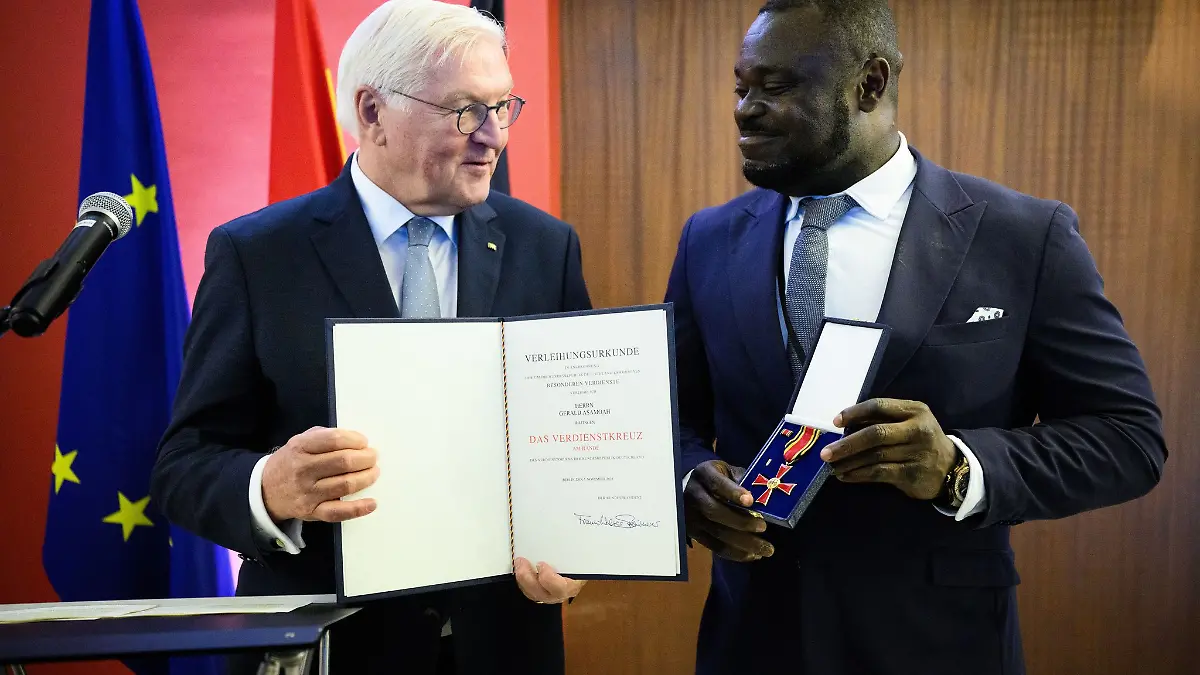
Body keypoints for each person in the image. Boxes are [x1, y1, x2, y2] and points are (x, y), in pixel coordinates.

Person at [666, 1, 1167, 673]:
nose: (745, 108)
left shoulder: (1023, 237)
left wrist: (960, 468)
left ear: (869, 84)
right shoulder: (708, 239)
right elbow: (670, 420)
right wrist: (688, 478)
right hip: (753, 640)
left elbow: (1129, 438)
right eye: (741, 86)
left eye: (776, 86)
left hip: (938, 643)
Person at [151, 2, 587, 673]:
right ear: (374, 112)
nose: (493, 135)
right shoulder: (257, 254)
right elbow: (184, 466)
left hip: (503, 644)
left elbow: (575, 441)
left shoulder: (546, 247)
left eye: (504, 107)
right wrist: (271, 485)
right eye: (466, 109)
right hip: (328, 648)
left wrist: (579, 545)